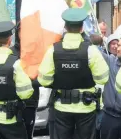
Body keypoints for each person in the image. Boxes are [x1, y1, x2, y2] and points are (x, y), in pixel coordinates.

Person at [38, 8, 110, 139]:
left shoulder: (53, 50)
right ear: (82, 28)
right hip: (86, 107)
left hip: (62, 107)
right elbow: (103, 78)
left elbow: (44, 80)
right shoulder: (91, 51)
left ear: (65, 27)